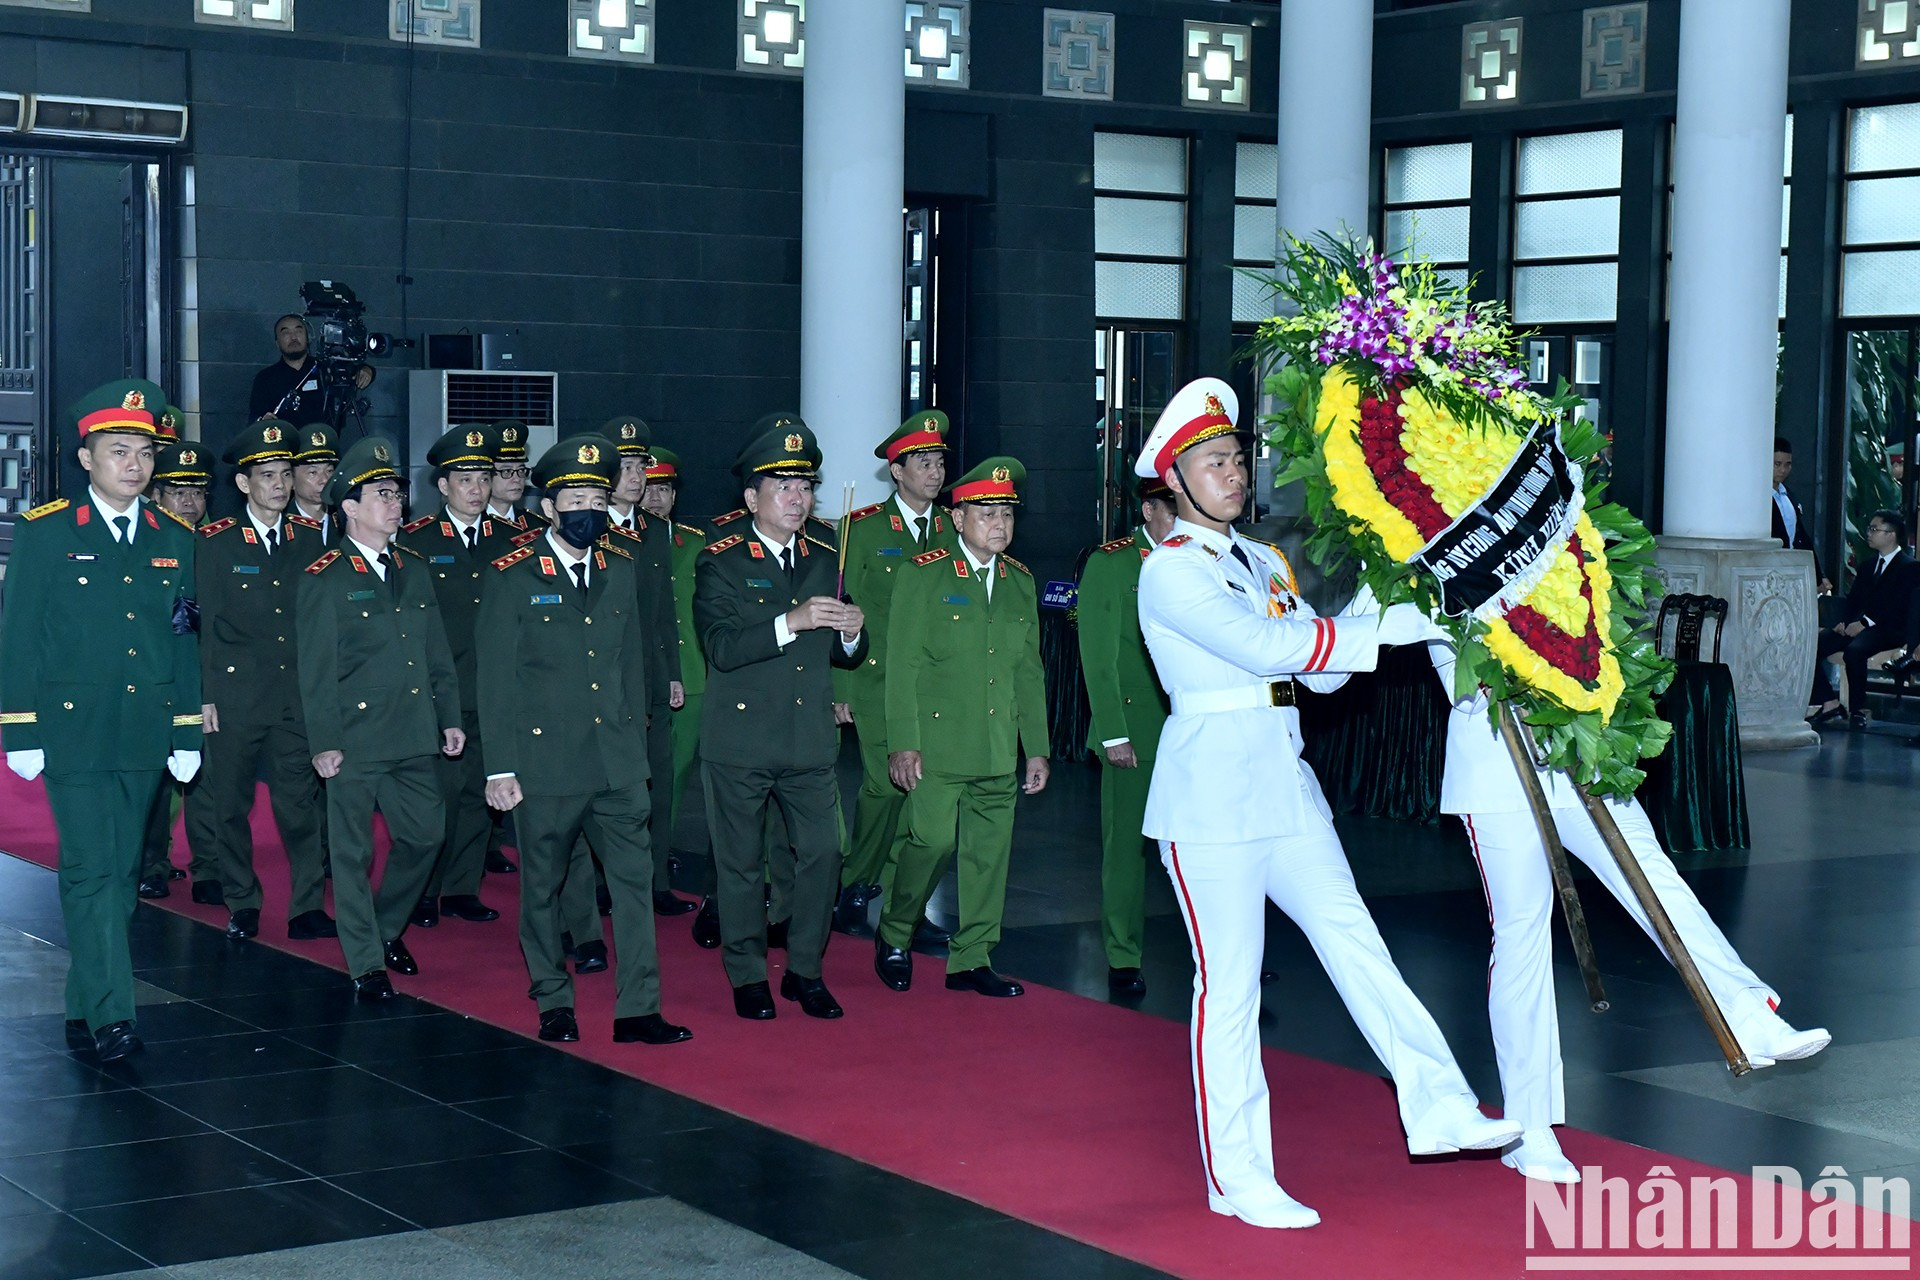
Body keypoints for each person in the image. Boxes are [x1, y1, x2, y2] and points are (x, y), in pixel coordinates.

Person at [1133, 377, 1517, 1230]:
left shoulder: (1263, 561)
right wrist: (1378, 631)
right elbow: (1264, 646)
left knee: (1360, 946)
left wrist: (1387, 588)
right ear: (1175, 481)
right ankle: (1238, 1178)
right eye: (1212, 462)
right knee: (1228, 990)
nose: (1233, 473)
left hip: (1287, 787)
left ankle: (1438, 1103)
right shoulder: (1169, 573)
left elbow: (1326, 675)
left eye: (1237, 458)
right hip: (1211, 805)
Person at [1428, 643, 1829, 1185]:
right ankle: (1529, 1127)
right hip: (1496, 765)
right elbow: (1459, 679)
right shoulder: (1437, 584)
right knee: (1522, 935)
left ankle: (1745, 1011)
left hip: (1580, 747)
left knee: (1654, 879)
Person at [0, 380, 202, 1062]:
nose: (134, 465)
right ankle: (115, 1015)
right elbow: (18, 637)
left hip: (145, 727)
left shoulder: (175, 537)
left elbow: (184, 639)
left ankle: (83, 1002)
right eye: (119, 451)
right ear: (86, 457)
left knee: (120, 875)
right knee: (91, 868)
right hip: (73, 729)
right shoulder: (47, 530)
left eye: (144, 453)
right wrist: (19, 727)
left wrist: (185, 728)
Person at [475, 434, 690, 1046]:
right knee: (542, 889)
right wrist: (500, 768)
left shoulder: (620, 569)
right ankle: (553, 998)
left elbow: (629, 664)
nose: (589, 512)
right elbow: (496, 680)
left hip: (617, 763)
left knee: (634, 886)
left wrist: (637, 746)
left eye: (598, 499)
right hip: (546, 763)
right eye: (575, 500)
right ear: (549, 507)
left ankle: (639, 1009)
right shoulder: (512, 575)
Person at [694, 418, 866, 1021]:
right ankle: (746, 973)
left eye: (806, 486)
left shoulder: (827, 557)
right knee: (742, 865)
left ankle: (804, 970)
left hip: (807, 739)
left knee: (824, 853)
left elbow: (846, 651)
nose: (798, 499)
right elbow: (720, 647)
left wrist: (853, 632)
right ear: (751, 498)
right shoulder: (719, 560)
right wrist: (789, 622)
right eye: (784, 487)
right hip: (740, 740)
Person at [874, 456, 1049, 998]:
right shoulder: (924, 574)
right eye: (986, 513)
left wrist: (1036, 748)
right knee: (929, 844)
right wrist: (903, 743)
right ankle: (896, 931)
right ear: (957, 518)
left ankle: (972, 956)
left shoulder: (1020, 582)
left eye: (1007, 514)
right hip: (937, 746)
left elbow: (1029, 671)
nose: (999, 524)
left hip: (996, 748)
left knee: (988, 857)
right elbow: (902, 665)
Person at [296, 436, 464, 1001]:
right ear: (349, 506)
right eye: (382, 495)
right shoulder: (325, 576)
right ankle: (365, 960)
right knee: (352, 853)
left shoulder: (413, 568)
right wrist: (324, 741)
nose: (396, 504)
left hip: (413, 729)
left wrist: (448, 715)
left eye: (397, 494)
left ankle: (386, 926)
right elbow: (315, 670)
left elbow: (436, 651)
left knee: (426, 836)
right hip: (355, 737)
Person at [189, 418, 332, 943]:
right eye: (267, 475)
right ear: (243, 483)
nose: (280, 485)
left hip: (293, 698)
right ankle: (241, 899)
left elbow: (321, 624)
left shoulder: (310, 540)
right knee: (230, 806)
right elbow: (203, 626)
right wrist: (204, 696)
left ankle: (306, 906)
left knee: (300, 808)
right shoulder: (216, 542)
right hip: (234, 698)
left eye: (286, 474)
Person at [833, 411, 958, 941]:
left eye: (939, 462)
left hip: (936, 690)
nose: (935, 472)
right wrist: (840, 687)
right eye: (923, 463)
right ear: (897, 471)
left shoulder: (954, 527)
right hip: (876, 682)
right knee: (885, 789)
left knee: (923, 800)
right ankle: (854, 883)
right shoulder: (862, 528)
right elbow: (842, 607)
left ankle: (904, 908)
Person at [398, 424, 515, 930]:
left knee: (480, 793)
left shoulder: (514, 541)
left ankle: (462, 887)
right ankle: (424, 889)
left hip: (495, 689)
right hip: (439, 690)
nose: (476, 489)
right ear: (442, 486)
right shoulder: (416, 541)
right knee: (437, 795)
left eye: (484, 478)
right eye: (465, 479)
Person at [1075, 474, 1177, 997]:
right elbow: (1098, 657)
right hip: (1136, 727)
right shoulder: (1113, 564)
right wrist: (1113, 733)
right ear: (1148, 511)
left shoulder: (1202, 560)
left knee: (1209, 846)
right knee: (1128, 848)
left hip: (1194, 727)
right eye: (1169, 508)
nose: (1179, 518)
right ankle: (1122, 952)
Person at [601, 415, 696, 917]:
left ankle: (656, 881)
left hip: (652, 679)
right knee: (607, 788)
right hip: (604, 681)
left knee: (657, 783)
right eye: (627, 468)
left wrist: (673, 673)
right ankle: (601, 882)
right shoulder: (586, 528)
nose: (637, 478)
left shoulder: (655, 531)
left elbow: (663, 614)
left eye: (641, 467)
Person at [640, 446, 718, 943]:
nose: (656, 497)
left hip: (692, 678)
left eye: (664, 489)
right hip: (641, 680)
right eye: (648, 488)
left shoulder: (696, 543)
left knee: (675, 778)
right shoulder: (620, 543)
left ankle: (657, 864)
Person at [136, 437, 214, 899]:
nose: (189, 502)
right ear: (156, 495)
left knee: (205, 777)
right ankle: (151, 862)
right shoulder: (144, 540)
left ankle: (209, 866)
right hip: (159, 674)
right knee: (156, 777)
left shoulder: (215, 543)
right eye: (178, 492)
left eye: (197, 492)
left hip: (211, 674)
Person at [1808, 509, 1918, 728]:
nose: (1869, 533)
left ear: (1891, 535)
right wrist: (1841, 622)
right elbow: (1854, 601)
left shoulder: (1909, 567)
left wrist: (1864, 623)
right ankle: (1830, 703)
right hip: (1858, 625)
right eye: (1870, 528)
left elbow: (1897, 606)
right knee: (1810, 647)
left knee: (1855, 650)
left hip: (1889, 629)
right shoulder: (1867, 565)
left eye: (1875, 529)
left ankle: (1857, 709)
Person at [247, 313, 373, 424]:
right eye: (286, 332)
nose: (293, 337)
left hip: (324, 439)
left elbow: (353, 370)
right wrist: (263, 420)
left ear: (308, 337)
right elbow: (255, 417)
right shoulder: (265, 378)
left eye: (298, 331)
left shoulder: (324, 368)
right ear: (277, 342)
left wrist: (366, 370)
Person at [1770, 437, 1829, 594]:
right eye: (1777, 464)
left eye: (1787, 464)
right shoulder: (1758, 498)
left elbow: (1801, 535)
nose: (1783, 470)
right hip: (1770, 567)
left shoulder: (1789, 496)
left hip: (1791, 566)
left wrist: (1819, 576)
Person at [485, 420, 544, 531]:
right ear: (486, 476)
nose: (517, 479)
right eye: (507, 471)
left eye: (521, 470)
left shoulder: (536, 526)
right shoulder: (472, 525)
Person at [289, 422, 340, 544]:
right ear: (292, 479)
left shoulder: (346, 523)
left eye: (329, 471)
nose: (324, 480)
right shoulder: (278, 526)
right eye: (313, 472)